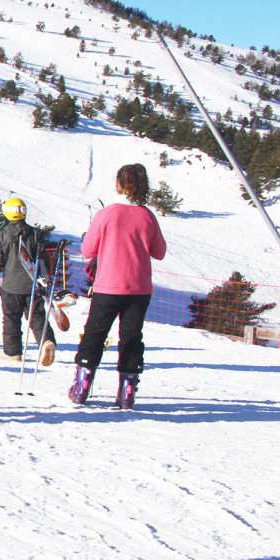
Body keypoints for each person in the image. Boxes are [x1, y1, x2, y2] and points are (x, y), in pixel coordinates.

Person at [69, 163, 166, 409]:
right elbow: (160, 252)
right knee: (131, 337)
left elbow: (87, 249)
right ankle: (127, 389)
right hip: (139, 288)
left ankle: (82, 385)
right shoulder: (147, 216)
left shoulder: (107, 213)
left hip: (109, 285)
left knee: (95, 333)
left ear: (118, 184)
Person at [0, 197, 56, 365]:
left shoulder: (2, 234)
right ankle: (46, 341)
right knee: (37, 316)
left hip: (11, 285)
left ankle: (12, 352)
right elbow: (42, 258)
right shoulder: (34, 233)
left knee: (11, 318)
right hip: (32, 284)